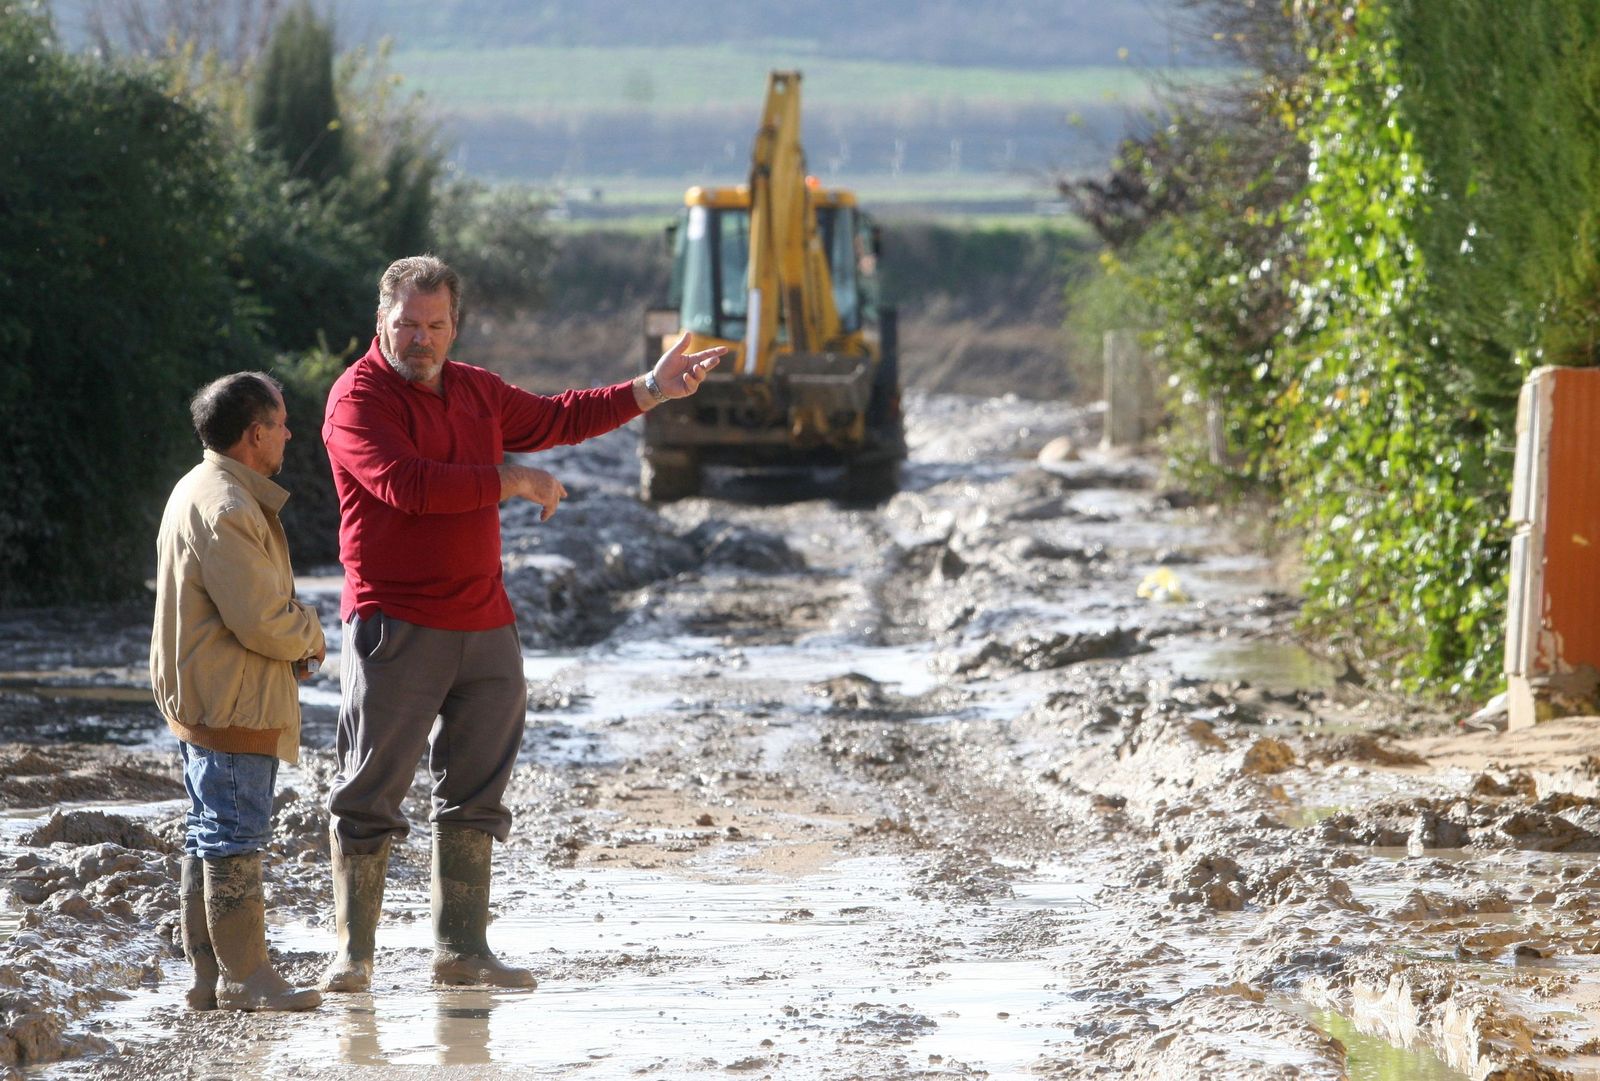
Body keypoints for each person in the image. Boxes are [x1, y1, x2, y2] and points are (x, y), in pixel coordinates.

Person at [320, 254, 724, 992]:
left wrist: (650, 389)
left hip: (486, 624)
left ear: (454, 325)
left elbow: (560, 415)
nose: (420, 339)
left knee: (476, 793)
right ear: (380, 321)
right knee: (370, 788)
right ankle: (353, 955)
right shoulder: (358, 399)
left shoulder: (476, 389)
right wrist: (510, 477)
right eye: (406, 324)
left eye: (435, 325)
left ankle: (461, 950)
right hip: (397, 623)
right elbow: (403, 486)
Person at [150, 372, 327, 1012]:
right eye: (280, 424)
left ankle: (208, 978)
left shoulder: (201, 486)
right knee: (233, 833)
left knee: (208, 830)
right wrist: (311, 633)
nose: (288, 434)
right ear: (256, 434)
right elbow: (259, 620)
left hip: (211, 693)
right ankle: (246, 976)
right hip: (232, 699)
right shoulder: (228, 504)